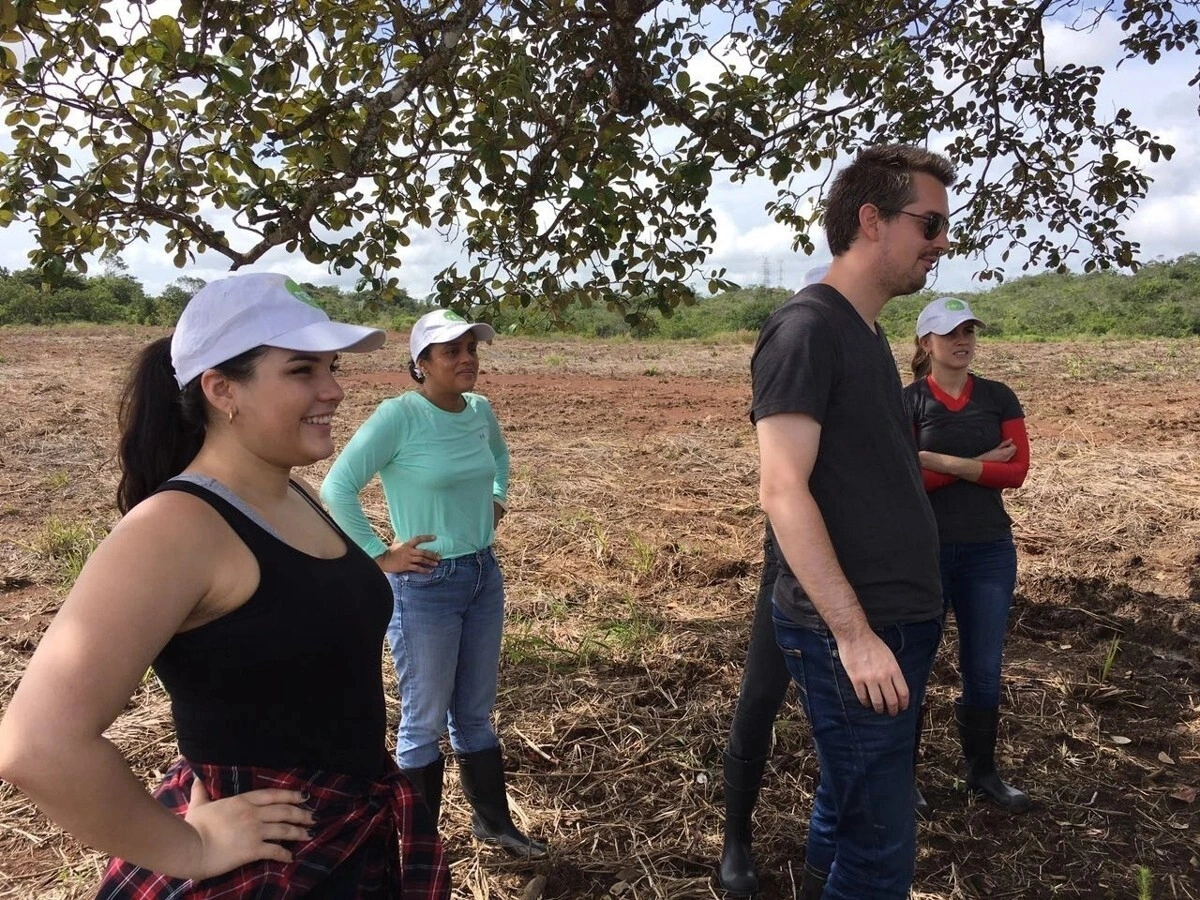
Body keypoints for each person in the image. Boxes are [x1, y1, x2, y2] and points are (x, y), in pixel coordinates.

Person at [0, 273, 450, 898]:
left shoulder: (291, 491)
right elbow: (35, 745)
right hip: (271, 859)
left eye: (331, 366)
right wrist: (189, 846)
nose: (334, 390)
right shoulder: (174, 528)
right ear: (221, 390)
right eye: (301, 371)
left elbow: (301, 617)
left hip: (342, 829)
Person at [751, 144, 953, 899]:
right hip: (857, 632)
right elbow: (782, 489)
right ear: (872, 220)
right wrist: (856, 636)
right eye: (929, 225)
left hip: (898, 618)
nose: (941, 243)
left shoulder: (865, 334)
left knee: (849, 811)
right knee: (878, 855)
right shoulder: (807, 329)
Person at [320, 308, 547, 859]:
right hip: (426, 585)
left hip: (481, 575)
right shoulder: (398, 416)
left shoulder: (479, 410)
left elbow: (499, 458)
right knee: (423, 719)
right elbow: (337, 488)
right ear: (421, 363)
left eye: (472, 348)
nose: (467, 359)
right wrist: (379, 555)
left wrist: (497, 500)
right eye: (452, 351)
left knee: (473, 711)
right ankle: (415, 847)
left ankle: (493, 824)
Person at [718, 264, 826, 897]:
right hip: (791, 563)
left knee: (837, 713)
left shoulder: (863, 365)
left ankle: (827, 849)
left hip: (856, 566)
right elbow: (782, 485)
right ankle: (735, 839)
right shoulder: (793, 356)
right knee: (762, 693)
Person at [904, 296, 1032, 812]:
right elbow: (902, 480)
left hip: (987, 552)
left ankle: (982, 772)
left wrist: (937, 459)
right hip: (922, 554)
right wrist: (978, 462)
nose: (963, 341)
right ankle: (902, 779)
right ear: (925, 342)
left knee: (983, 669)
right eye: (950, 332)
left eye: (969, 331)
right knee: (911, 670)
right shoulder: (908, 401)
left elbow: (1017, 472)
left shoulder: (999, 396)